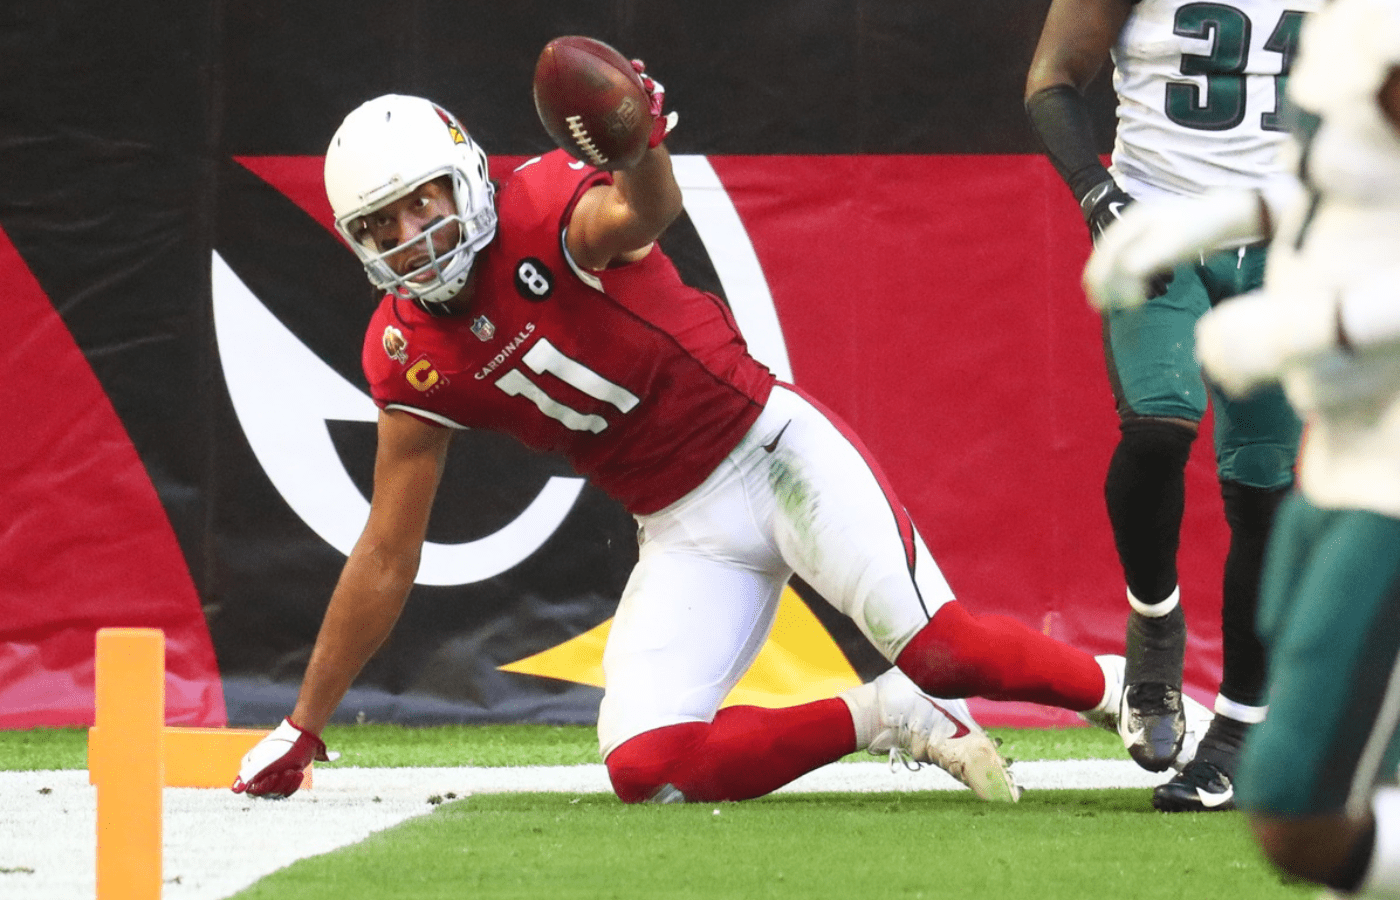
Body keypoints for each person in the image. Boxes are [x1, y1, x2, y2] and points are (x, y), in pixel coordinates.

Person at [229, 56, 1152, 807]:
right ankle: (886, 715)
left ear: (464, 173)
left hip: (771, 451)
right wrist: (304, 725)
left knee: (948, 648)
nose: (413, 233)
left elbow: (644, 212)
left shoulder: (546, 213)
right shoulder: (405, 350)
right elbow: (388, 551)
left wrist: (644, 148)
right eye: (383, 223)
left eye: (422, 200)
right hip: (681, 525)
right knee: (646, 765)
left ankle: (1132, 692)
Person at [1084, 0, 1400, 890]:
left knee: (1305, 806)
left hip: (1388, 474)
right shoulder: (1351, 32)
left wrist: (1325, 325)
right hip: (1347, 460)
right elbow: (1343, 174)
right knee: (1295, 805)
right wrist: (1200, 222)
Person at [1024, 0, 1317, 811]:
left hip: (1289, 244)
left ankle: (1237, 731)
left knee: (1265, 489)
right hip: (1160, 221)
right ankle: (1155, 619)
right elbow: (1051, 80)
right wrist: (1095, 194)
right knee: (1158, 429)